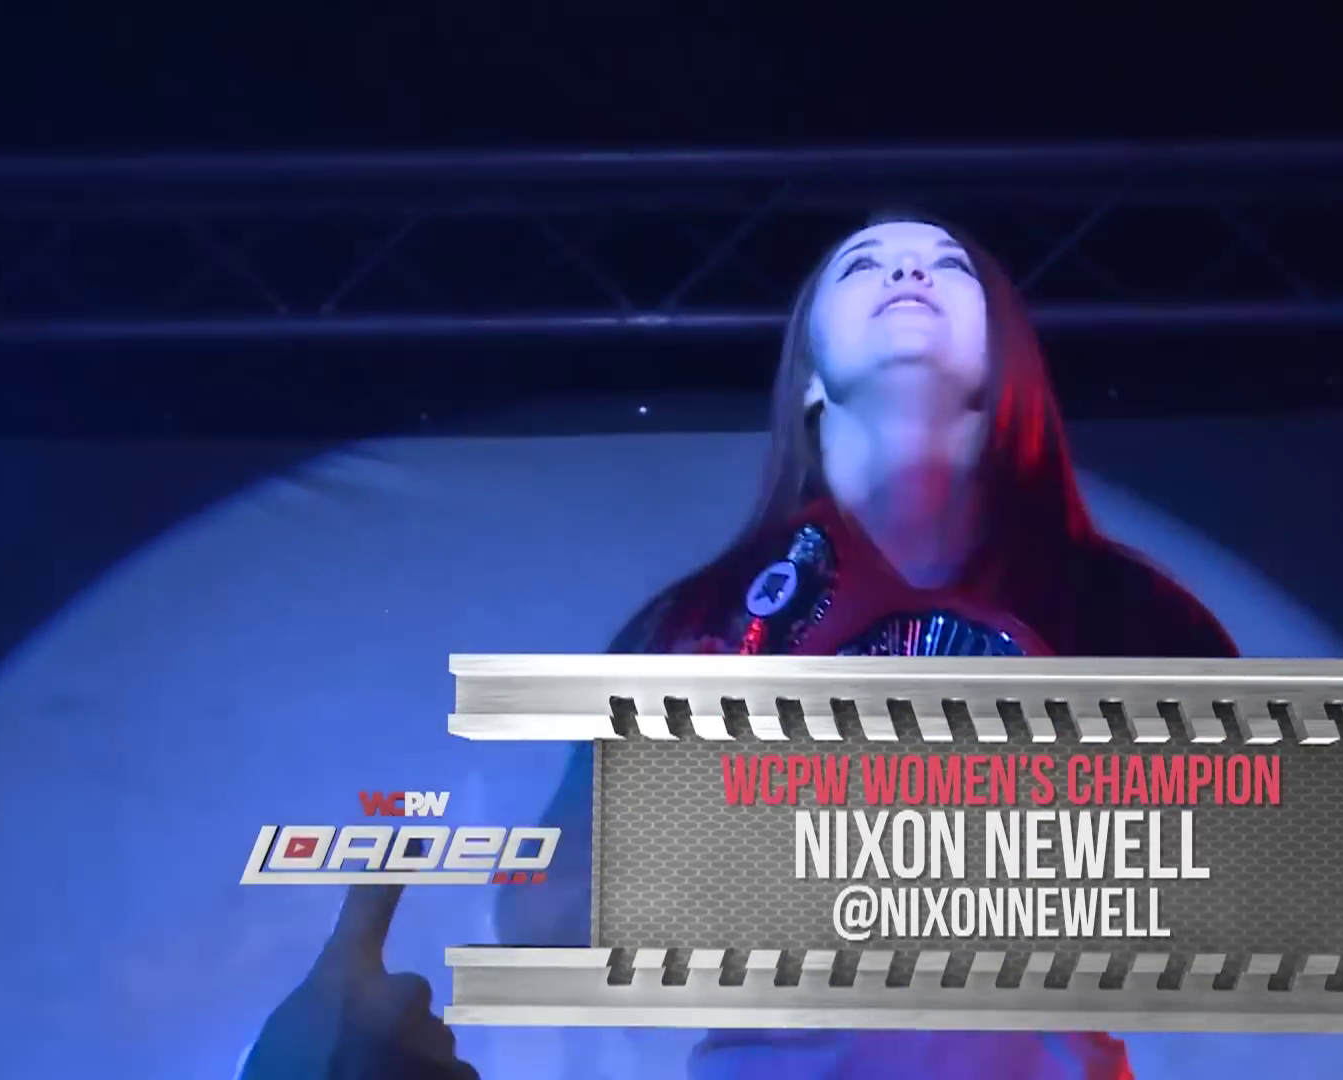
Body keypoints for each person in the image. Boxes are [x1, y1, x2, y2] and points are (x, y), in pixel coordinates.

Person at [245, 214, 1238, 1079]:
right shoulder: (699, 629)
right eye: (862, 265)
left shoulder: (1133, 618)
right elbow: (551, 918)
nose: (907, 271)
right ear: (807, 380)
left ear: (1009, 358)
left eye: (948, 264)